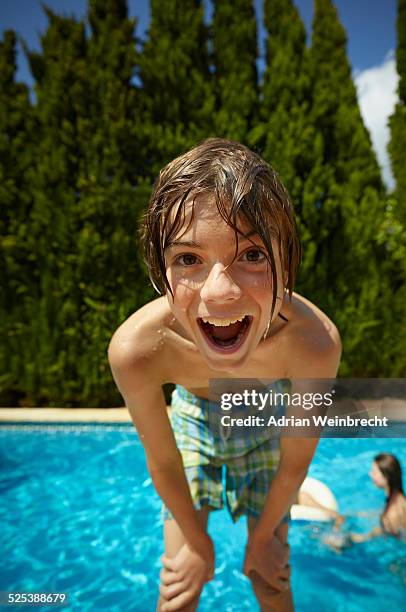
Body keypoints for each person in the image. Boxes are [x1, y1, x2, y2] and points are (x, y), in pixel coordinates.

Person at [108, 138, 341, 611]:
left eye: (252, 255)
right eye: (188, 259)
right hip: (193, 419)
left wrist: (262, 538)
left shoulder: (314, 344)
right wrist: (197, 542)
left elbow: (295, 463)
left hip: (263, 416)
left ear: (287, 264)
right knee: (179, 587)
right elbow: (165, 462)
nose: (219, 293)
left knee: (270, 578)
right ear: (160, 270)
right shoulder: (138, 351)